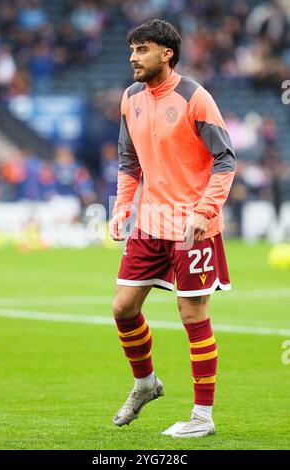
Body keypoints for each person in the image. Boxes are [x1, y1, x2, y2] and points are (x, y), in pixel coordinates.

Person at [109, 19, 236, 438]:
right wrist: (122, 207)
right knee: (123, 308)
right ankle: (146, 383)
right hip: (149, 223)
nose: (132, 57)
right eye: (131, 50)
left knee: (192, 314)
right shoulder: (130, 98)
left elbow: (225, 159)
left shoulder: (195, 98)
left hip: (192, 225)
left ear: (166, 53)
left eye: (141, 49)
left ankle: (202, 416)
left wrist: (205, 211)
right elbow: (129, 161)